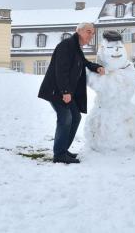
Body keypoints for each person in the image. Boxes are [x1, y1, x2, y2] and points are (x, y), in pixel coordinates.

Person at [38, 22, 105, 164]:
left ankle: (63, 149)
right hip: (56, 91)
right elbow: (60, 70)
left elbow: (84, 62)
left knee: (75, 116)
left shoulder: (76, 47)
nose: (91, 35)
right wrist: (65, 91)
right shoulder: (66, 45)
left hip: (65, 92)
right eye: (88, 32)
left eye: (92, 33)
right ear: (79, 31)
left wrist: (96, 67)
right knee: (66, 118)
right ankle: (59, 155)